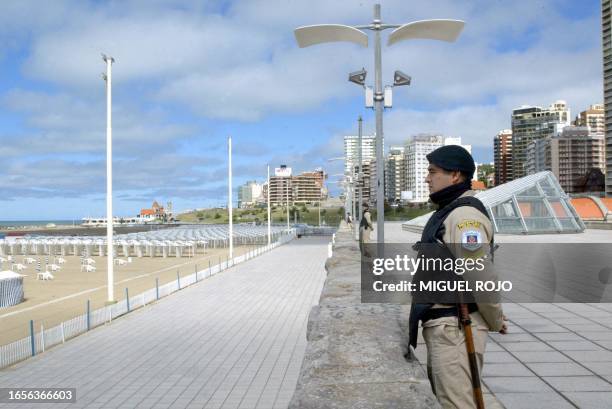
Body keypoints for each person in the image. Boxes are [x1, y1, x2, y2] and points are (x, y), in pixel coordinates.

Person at [408, 145, 507, 409]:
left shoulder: (464, 216)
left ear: (455, 176)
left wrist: (495, 319)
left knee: (458, 403)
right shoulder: (450, 211)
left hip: (456, 327)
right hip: (448, 325)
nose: (427, 178)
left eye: (432, 172)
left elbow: (480, 275)